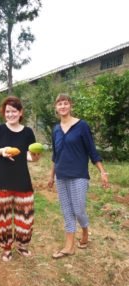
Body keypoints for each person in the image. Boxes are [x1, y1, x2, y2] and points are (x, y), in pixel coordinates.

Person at [48, 93, 109, 259]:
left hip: (79, 175)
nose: (62, 106)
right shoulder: (56, 130)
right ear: (56, 108)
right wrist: (51, 175)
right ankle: (69, 246)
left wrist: (102, 171)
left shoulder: (82, 126)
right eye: (59, 104)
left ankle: (85, 230)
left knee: (79, 208)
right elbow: (55, 154)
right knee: (67, 211)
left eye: (65, 103)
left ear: (70, 105)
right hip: (61, 175)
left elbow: (92, 151)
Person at [0, 96, 40, 262]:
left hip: (22, 180)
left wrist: (36, 157)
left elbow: (29, 157)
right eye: (7, 111)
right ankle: (6, 248)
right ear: (4, 113)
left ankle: (22, 246)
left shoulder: (28, 132)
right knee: (3, 218)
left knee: (26, 216)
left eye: (14, 111)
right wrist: (3, 150)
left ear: (20, 112)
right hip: (1, 180)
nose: (10, 114)